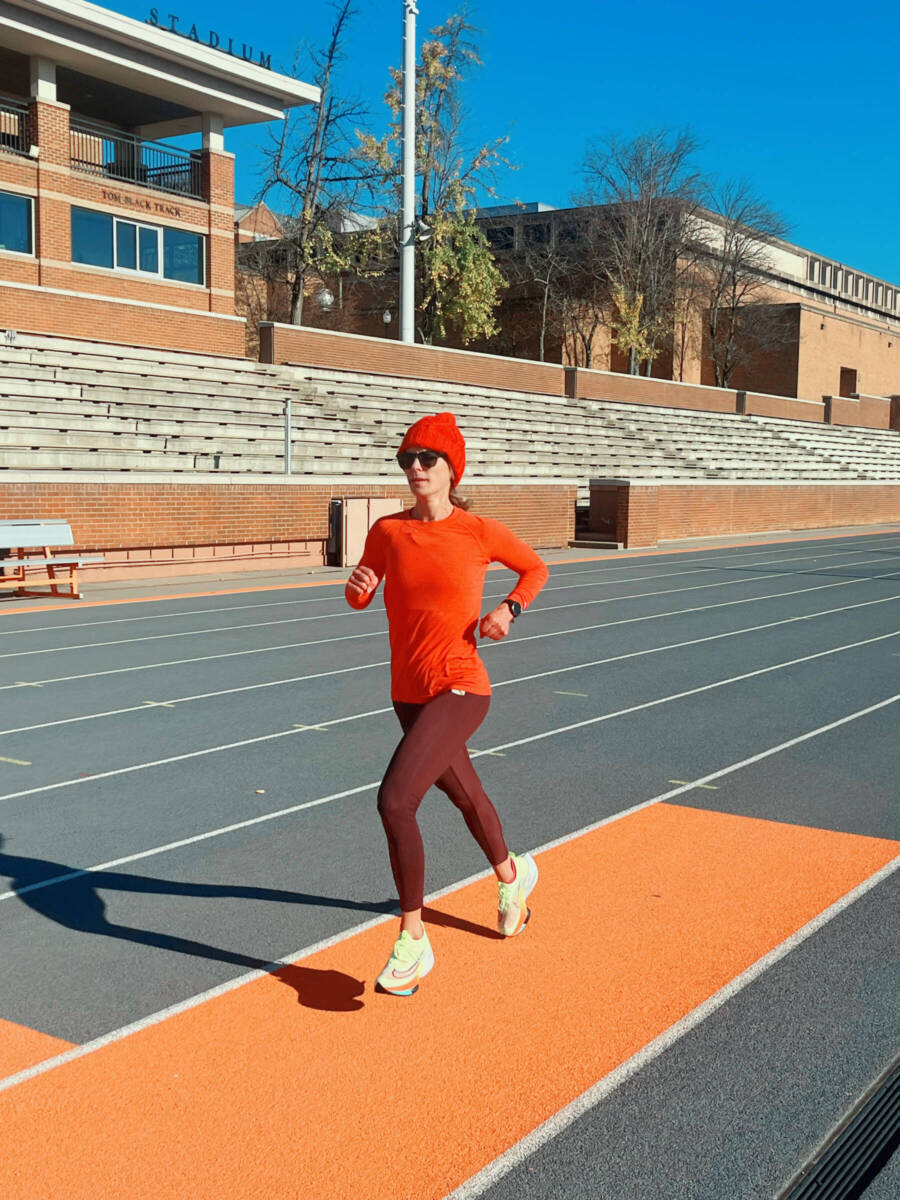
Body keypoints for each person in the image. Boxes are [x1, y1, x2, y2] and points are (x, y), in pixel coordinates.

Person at [345, 412, 549, 996]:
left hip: (461, 686)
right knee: (466, 794)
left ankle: (413, 942)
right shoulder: (386, 531)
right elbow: (362, 590)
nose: (414, 468)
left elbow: (535, 567)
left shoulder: (478, 531)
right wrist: (358, 589)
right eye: (407, 458)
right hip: (407, 695)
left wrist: (509, 610)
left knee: (394, 801)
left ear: (451, 469)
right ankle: (514, 877)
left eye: (426, 459)